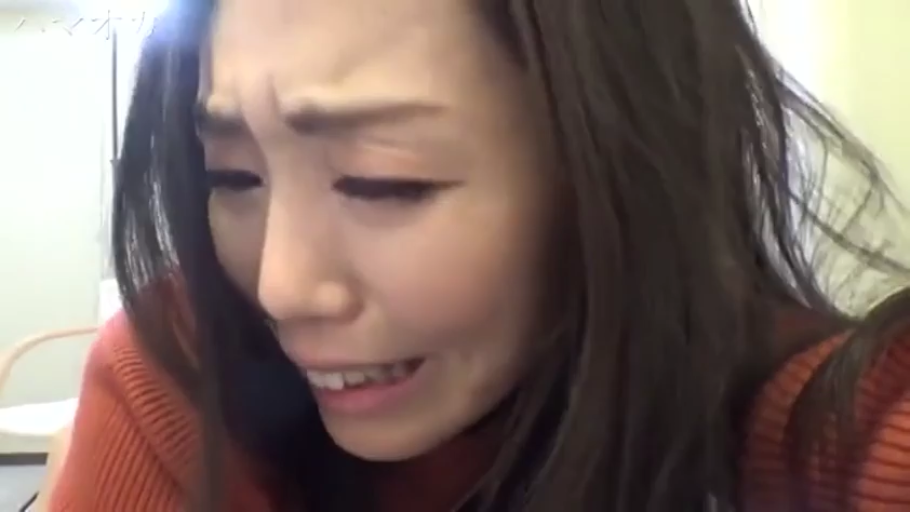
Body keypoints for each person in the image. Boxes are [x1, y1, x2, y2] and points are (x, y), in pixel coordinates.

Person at [47, 0, 910, 510]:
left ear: (619, 164)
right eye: (234, 177)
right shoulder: (190, 364)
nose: (280, 286)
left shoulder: (841, 434)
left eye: (382, 182)